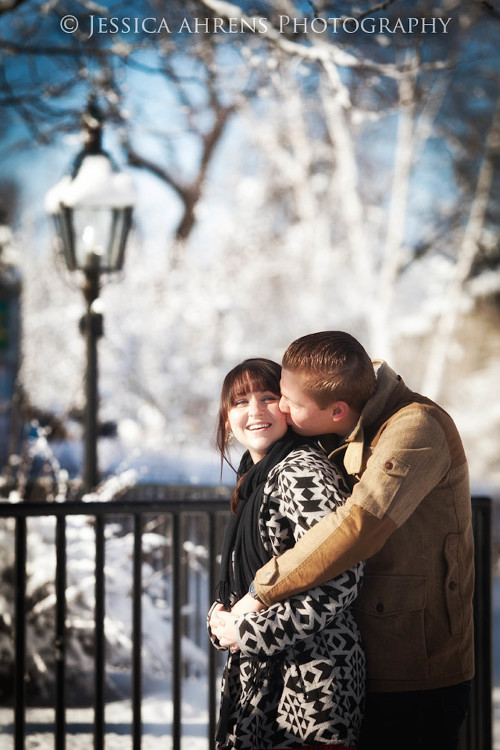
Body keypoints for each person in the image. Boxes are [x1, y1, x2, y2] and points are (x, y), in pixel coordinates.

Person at [229, 332, 474, 750]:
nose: (280, 407)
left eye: (289, 400)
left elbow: (358, 524)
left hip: (414, 661)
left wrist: (261, 591)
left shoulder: (415, 428)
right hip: (365, 650)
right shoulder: (335, 419)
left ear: (337, 410)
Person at [208, 358, 365, 750]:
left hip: (311, 678)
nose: (255, 411)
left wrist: (247, 631)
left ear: (289, 407)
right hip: (265, 673)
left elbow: (343, 577)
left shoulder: (300, 469)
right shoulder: (255, 477)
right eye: (241, 401)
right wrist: (222, 618)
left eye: (268, 397)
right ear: (228, 419)